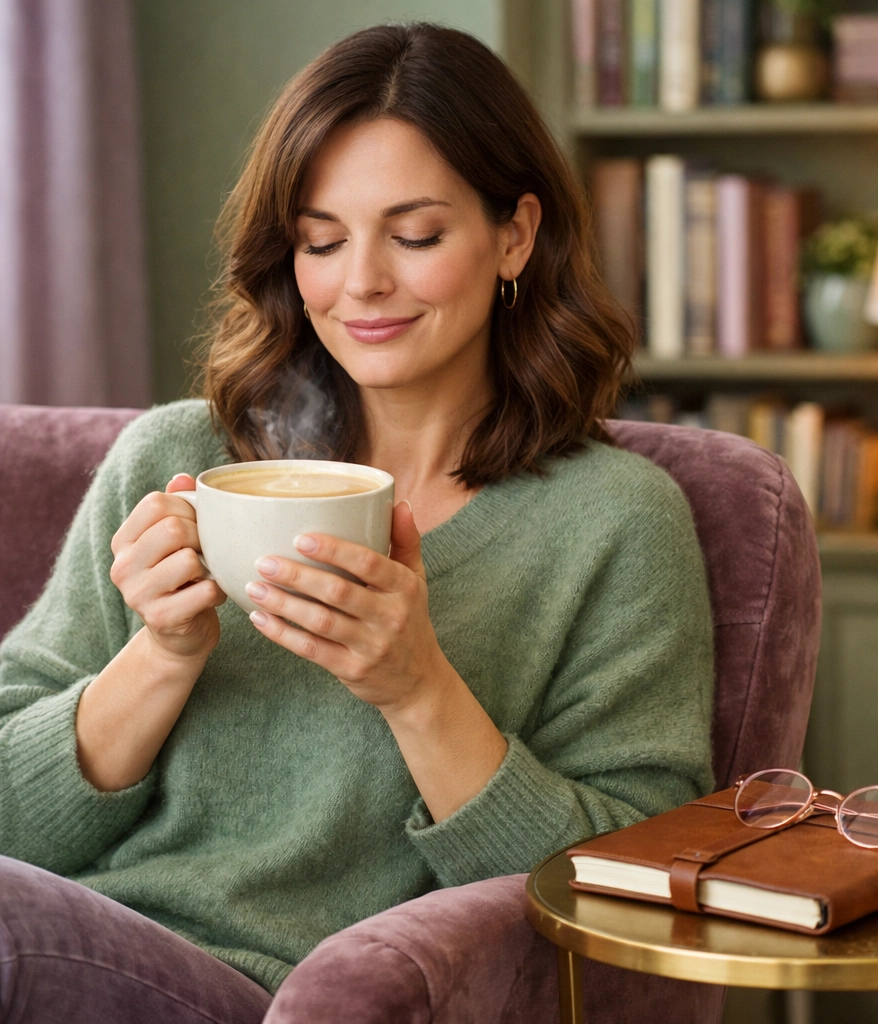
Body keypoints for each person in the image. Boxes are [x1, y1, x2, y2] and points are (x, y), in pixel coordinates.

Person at [0, 23, 714, 1024]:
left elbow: (632, 892)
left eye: (414, 235)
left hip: (282, 995)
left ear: (514, 234)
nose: (361, 282)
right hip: (66, 946)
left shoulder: (613, 524)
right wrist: (160, 656)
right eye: (321, 240)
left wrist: (417, 687)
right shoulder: (175, 465)